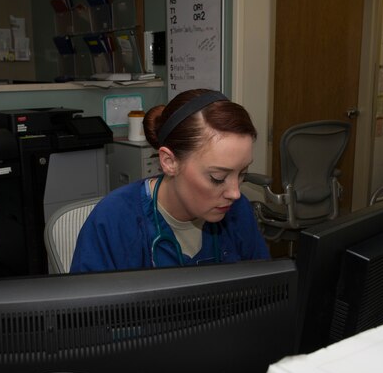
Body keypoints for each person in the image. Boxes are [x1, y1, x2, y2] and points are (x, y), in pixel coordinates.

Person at [70, 88, 270, 273]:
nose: (235, 193)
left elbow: (267, 294)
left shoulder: (238, 211)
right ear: (169, 162)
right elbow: (89, 309)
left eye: (242, 173)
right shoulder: (114, 220)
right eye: (217, 178)